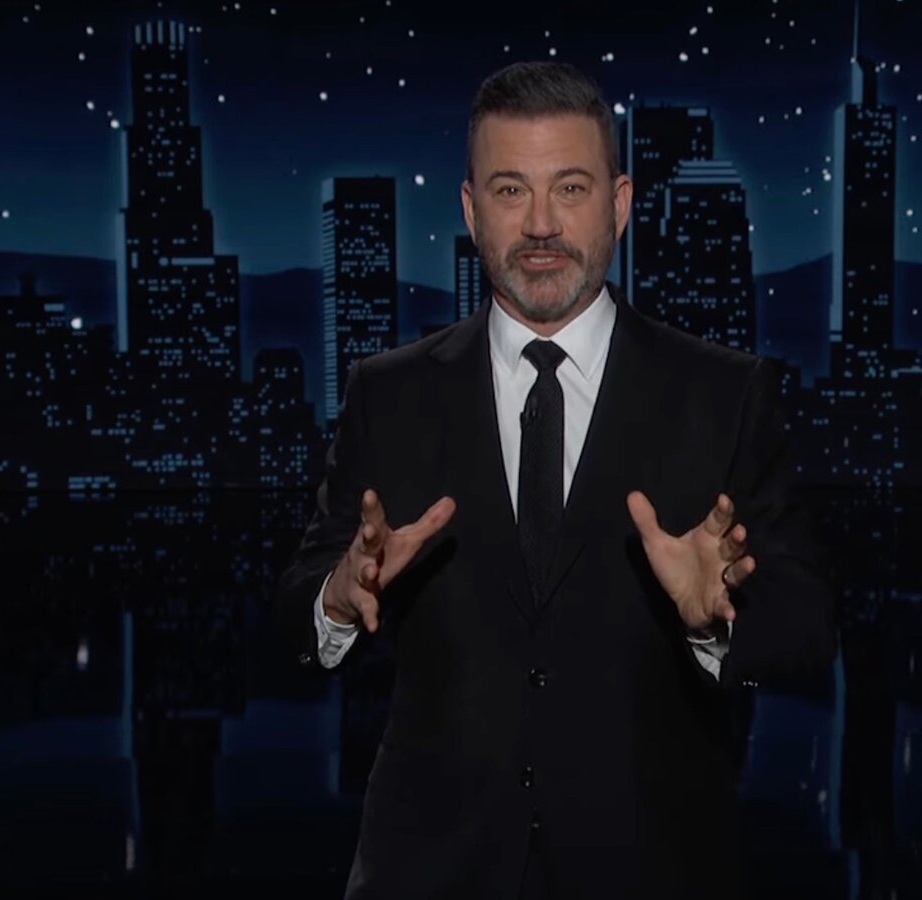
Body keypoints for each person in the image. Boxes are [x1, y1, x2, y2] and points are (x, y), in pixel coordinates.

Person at [278, 60, 834, 900]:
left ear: (619, 203)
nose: (541, 224)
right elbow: (293, 615)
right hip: (430, 874)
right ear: (472, 210)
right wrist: (337, 599)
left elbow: (807, 632)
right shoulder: (388, 393)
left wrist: (717, 622)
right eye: (511, 190)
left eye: (570, 188)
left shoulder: (724, 394)